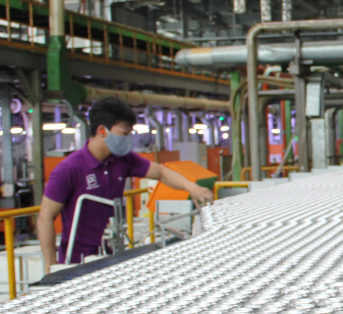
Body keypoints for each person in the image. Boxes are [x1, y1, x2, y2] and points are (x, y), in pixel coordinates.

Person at [38, 97, 213, 273]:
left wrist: (193, 188)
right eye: (124, 133)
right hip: (77, 261)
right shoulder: (69, 169)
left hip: (109, 253)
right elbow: (45, 217)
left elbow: (161, 172)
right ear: (102, 131)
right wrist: (52, 267)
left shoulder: (122, 160)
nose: (128, 139)